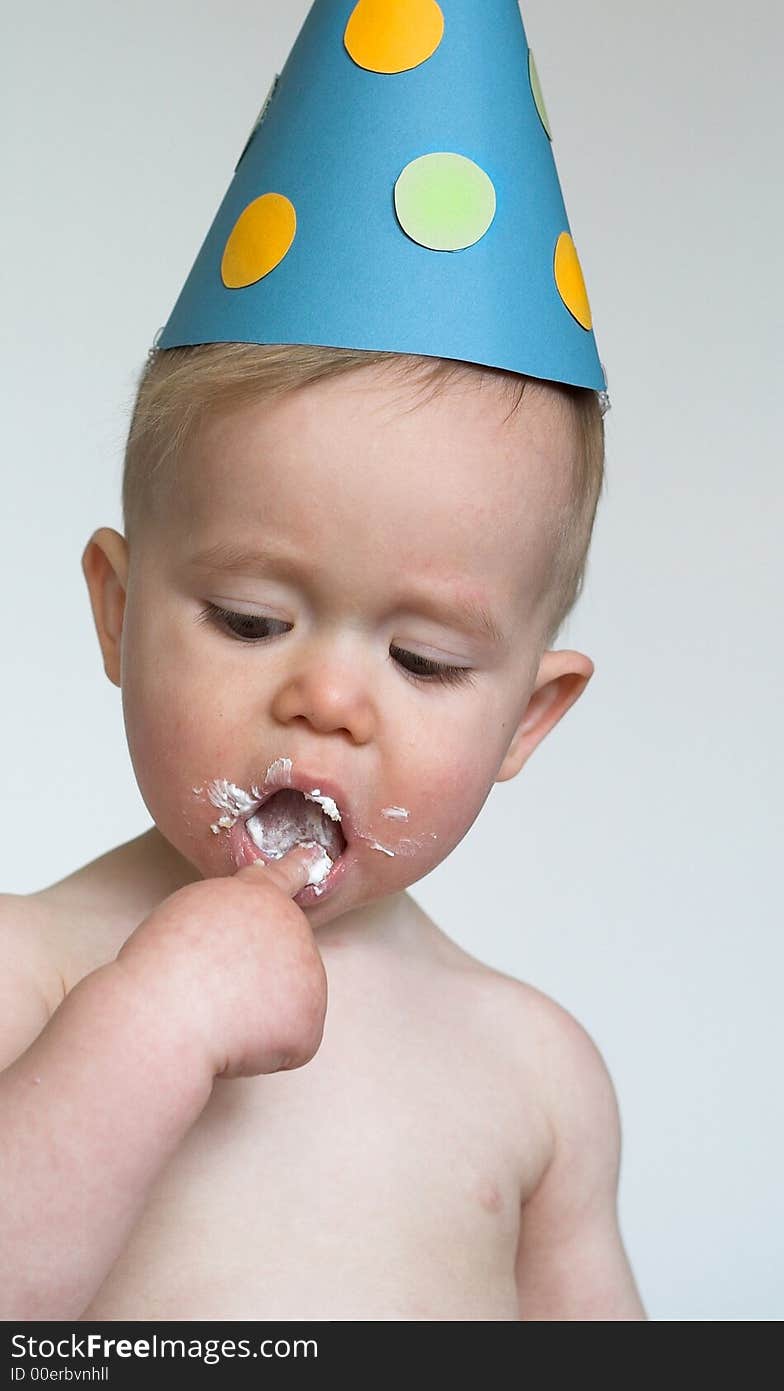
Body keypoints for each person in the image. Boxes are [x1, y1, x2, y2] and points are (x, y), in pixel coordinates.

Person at [1, 0, 647, 1320]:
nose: (329, 699)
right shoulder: (33, 973)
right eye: (248, 620)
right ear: (119, 613)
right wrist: (146, 1031)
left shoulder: (538, 1076)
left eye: (423, 658)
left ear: (530, 718)